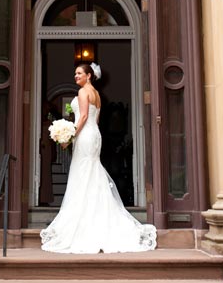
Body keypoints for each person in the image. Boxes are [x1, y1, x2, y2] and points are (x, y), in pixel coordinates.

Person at [41, 62, 157, 254]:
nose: (75, 76)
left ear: (88, 75)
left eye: (79, 73)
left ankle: (84, 223)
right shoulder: (97, 94)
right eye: (75, 73)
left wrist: (69, 137)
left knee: (82, 174)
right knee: (91, 172)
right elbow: (95, 120)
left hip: (85, 135)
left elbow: (84, 116)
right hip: (94, 135)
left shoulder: (82, 93)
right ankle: (98, 216)